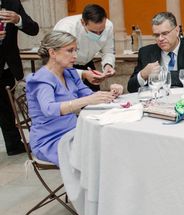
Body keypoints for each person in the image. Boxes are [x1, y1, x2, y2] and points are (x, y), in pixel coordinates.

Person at [26, 31, 123, 165]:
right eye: (70, 51)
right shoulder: (42, 79)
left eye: (75, 50)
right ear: (52, 53)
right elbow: (49, 108)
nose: (75, 56)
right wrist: (88, 100)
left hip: (74, 131)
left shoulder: (70, 73)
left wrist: (111, 93)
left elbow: (90, 96)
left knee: (114, 142)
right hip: (50, 141)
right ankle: (94, 185)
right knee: (102, 154)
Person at [0, 0, 39, 155]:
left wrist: (18, 20)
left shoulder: (13, 4)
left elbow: (34, 29)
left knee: (7, 107)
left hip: (7, 67)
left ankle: (14, 144)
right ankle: (14, 143)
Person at [127, 11, 184, 93]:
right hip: (157, 101)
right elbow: (131, 88)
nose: (160, 39)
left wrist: (159, 76)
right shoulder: (146, 52)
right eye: (156, 35)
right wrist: (143, 74)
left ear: (177, 31)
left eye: (165, 33)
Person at [54, 4, 116, 91]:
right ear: (83, 22)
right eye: (93, 32)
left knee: (95, 99)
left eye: (101, 31)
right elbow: (58, 62)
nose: (98, 35)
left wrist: (108, 65)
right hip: (65, 67)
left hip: (87, 64)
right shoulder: (66, 28)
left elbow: (108, 51)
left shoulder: (109, 26)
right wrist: (83, 74)